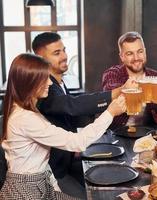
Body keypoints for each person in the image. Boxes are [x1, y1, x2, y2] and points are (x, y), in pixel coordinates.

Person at [0, 53, 125, 199]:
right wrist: (110, 113)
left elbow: (42, 164)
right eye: (44, 78)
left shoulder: (26, 112)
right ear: (30, 82)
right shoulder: (25, 119)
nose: (50, 83)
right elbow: (77, 142)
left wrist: (56, 190)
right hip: (26, 192)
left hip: (39, 184)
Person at [32, 32, 135, 187]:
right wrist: (117, 94)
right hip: (55, 172)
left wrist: (100, 118)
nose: (65, 56)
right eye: (56, 53)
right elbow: (72, 105)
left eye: (64, 50)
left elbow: (71, 114)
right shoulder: (45, 90)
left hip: (70, 158)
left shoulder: (58, 82)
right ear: (41, 59)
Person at [102, 31, 157, 130]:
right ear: (122, 57)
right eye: (130, 54)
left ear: (145, 52)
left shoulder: (155, 76)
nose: (136, 58)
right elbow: (109, 91)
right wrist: (128, 88)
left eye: (140, 51)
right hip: (116, 134)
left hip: (145, 135)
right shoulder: (112, 73)